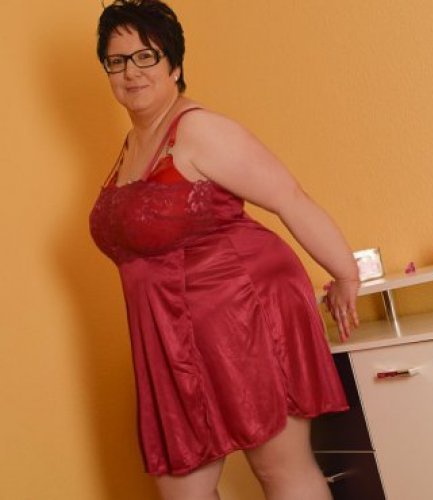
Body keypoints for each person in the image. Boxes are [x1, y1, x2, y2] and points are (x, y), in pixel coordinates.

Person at [89, 1, 360, 499]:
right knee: (183, 488)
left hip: (243, 311)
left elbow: (289, 197)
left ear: (174, 65)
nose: (131, 72)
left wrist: (346, 274)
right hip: (167, 335)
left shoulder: (199, 130)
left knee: (279, 469)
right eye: (117, 60)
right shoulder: (132, 143)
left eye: (146, 56)